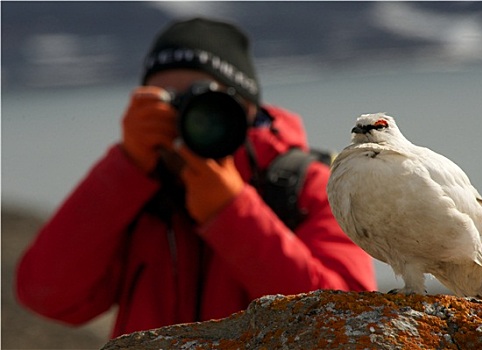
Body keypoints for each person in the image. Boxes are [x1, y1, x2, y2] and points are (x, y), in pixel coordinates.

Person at [16, 17, 376, 338]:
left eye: (205, 98)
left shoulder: (308, 184)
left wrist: (231, 212)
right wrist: (126, 166)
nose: (189, 114)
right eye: (168, 101)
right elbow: (46, 295)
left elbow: (348, 321)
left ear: (247, 108)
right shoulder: (138, 190)